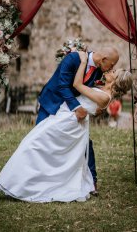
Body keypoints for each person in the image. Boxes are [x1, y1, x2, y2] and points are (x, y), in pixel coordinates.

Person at [0, 51, 132, 203]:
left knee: (33, 146)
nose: (111, 70)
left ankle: (18, 186)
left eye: (114, 71)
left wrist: (83, 61)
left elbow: (77, 85)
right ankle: (19, 184)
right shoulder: (103, 88)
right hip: (66, 117)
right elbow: (92, 103)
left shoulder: (105, 96)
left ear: (116, 79)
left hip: (68, 122)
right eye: (112, 67)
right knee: (39, 147)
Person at [36, 46, 119, 195]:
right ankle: (38, 177)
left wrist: (98, 104)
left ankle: (92, 181)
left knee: (85, 141)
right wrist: (77, 107)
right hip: (52, 103)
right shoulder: (73, 59)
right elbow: (63, 86)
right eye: (112, 65)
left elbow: (91, 90)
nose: (112, 68)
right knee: (39, 138)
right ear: (104, 59)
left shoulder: (100, 71)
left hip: (71, 112)